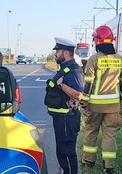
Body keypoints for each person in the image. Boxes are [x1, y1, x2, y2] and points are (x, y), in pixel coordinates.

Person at [81, 25, 122, 174]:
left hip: (95, 106)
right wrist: (119, 98)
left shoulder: (93, 60)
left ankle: (88, 161)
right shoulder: (120, 60)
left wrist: (84, 103)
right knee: (109, 135)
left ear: (97, 41)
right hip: (113, 106)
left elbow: (88, 84)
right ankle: (109, 167)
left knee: (91, 131)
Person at [44, 37, 84, 174]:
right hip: (61, 118)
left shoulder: (74, 70)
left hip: (68, 118)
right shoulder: (65, 69)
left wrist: (61, 85)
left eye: (57, 51)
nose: (55, 54)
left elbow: (78, 95)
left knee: (67, 151)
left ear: (66, 53)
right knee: (62, 151)